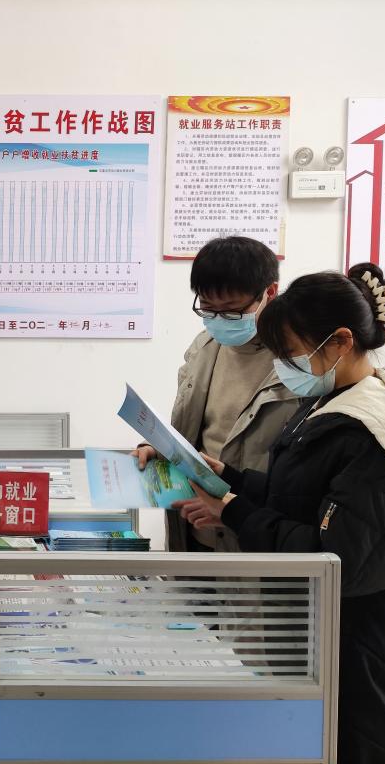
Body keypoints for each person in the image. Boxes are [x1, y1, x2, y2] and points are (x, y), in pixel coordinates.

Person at [177, 263, 385, 763]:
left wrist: (234, 512)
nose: (283, 367)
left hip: (370, 648)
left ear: (341, 341)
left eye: (290, 353)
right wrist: (231, 478)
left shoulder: (376, 434)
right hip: (322, 632)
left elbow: (343, 563)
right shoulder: (331, 400)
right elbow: (305, 498)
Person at [133, 236, 299, 552]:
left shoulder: (300, 360)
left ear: (270, 292)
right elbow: (190, 430)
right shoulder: (204, 348)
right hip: (196, 529)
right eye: (208, 309)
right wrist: (158, 448)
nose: (220, 320)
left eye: (232, 310)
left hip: (258, 535)